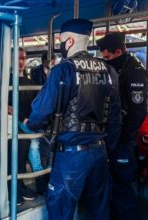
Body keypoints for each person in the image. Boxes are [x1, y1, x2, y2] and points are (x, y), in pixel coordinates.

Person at [25, 18, 121, 219]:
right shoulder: (109, 71)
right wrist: (106, 148)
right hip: (100, 151)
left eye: (61, 41)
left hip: (71, 155)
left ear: (68, 42)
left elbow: (40, 113)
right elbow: (114, 117)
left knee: (60, 209)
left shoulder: (63, 70)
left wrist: (32, 124)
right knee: (100, 210)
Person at [97, 32, 148, 220]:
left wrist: (122, 137)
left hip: (123, 139)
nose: (105, 62)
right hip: (109, 136)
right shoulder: (113, 70)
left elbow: (138, 112)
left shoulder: (133, 71)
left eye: (108, 57)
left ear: (118, 51)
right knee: (109, 181)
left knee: (122, 184)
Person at [8, 47, 37, 205]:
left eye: (23, 58)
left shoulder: (30, 81)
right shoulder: (4, 80)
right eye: (17, 58)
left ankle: (19, 184)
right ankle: (11, 186)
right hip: (8, 125)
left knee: (24, 147)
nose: (20, 62)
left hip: (25, 124)